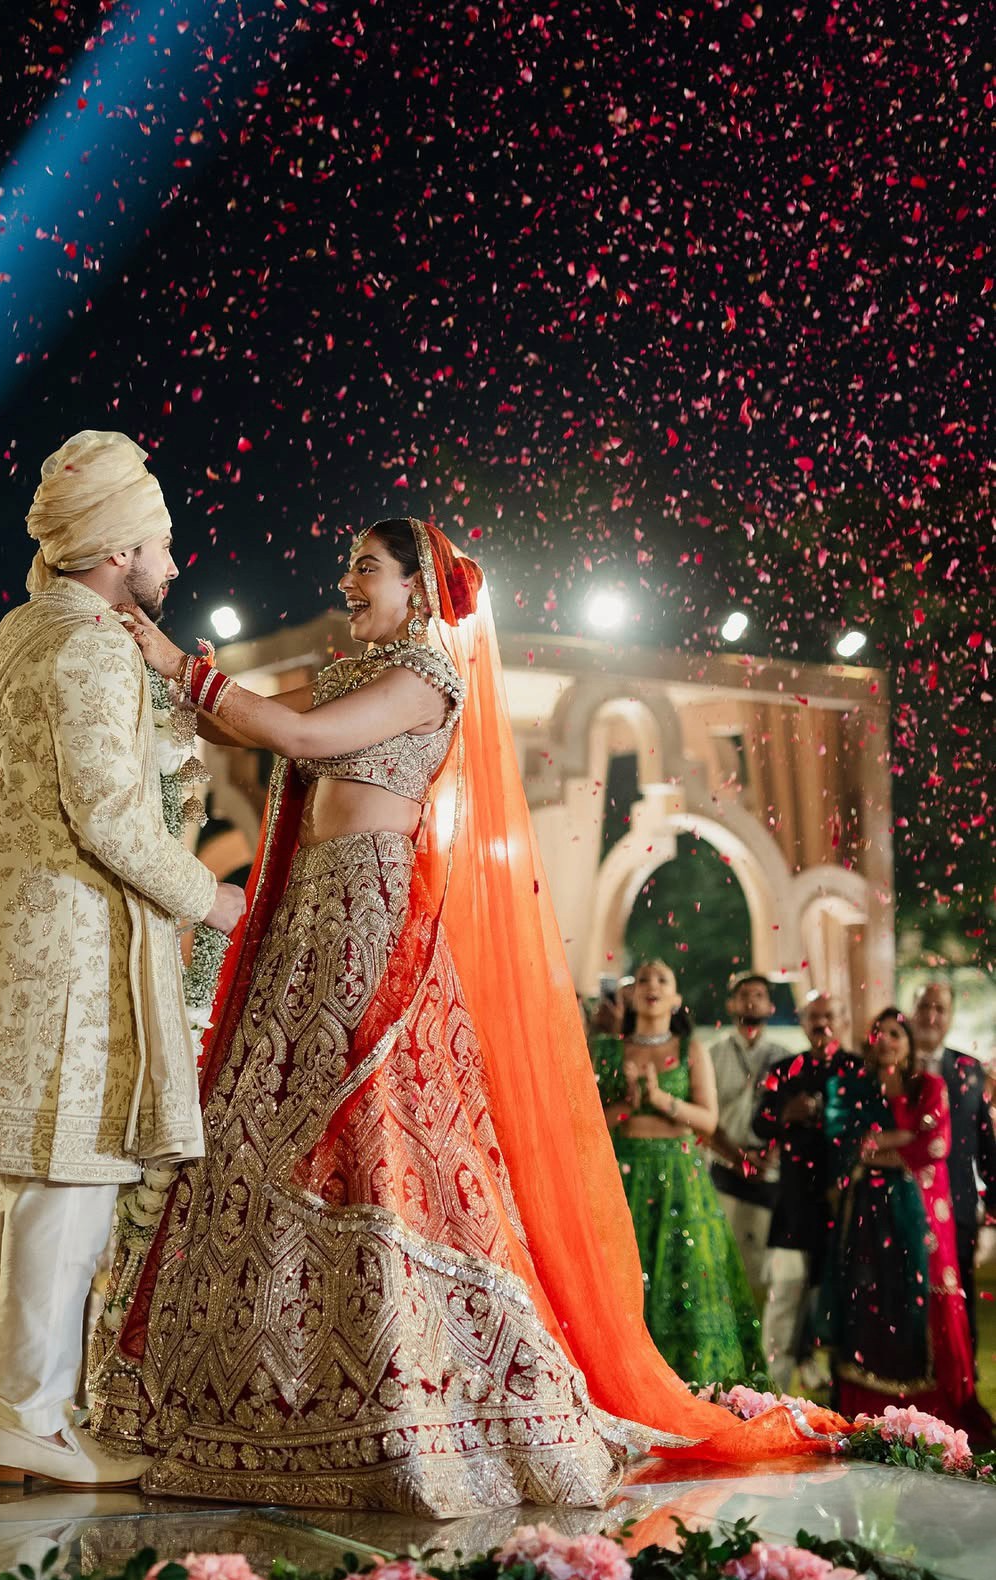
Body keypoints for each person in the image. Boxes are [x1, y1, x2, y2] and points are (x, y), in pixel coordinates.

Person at [91, 516, 836, 1519]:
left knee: (374, 1145)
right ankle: (272, 1394)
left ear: (416, 588)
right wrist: (177, 669)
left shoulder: (426, 679)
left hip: (366, 922)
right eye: (349, 564)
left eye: (365, 567)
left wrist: (184, 664)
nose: (345, 580)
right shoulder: (350, 670)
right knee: (257, 1139)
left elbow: (300, 738)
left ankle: (420, 1397)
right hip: (305, 922)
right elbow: (252, 721)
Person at [0, 429, 246, 1489]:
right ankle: (33, 1421)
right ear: (114, 553)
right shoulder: (90, 643)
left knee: (29, 1196)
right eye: (161, 544)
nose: (172, 567)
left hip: (18, 947)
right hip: (73, 963)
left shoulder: (18, 633)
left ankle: (10, 1421)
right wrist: (217, 901)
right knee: (68, 1191)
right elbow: (108, 815)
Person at [593, 960, 766, 1387]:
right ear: (631, 995)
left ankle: (691, 1388)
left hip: (680, 1180)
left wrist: (661, 1099)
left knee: (686, 1279)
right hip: (623, 1176)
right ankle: (623, 1385)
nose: (652, 985)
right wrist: (631, 1105)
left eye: (663, 979)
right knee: (622, 1278)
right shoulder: (607, 1050)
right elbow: (589, 1118)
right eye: (644, 979)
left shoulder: (690, 1049)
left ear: (676, 999)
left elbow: (707, 1119)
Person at [819, 1007, 986, 1433]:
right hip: (868, 1212)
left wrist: (875, 1149)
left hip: (925, 1213)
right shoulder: (855, 1087)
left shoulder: (928, 1086)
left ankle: (933, 1410)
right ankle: (867, 1405)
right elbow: (845, 1140)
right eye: (879, 1032)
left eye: (896, 1033)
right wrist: (894, 1143)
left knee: (925, 1293)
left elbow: (937, 1144)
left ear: (909, 1043)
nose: (887, 1040)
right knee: (868, 1290)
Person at [753, 994, 858, 1389]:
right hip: (795, 1205)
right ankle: (770, 1393)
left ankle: (841, 1394)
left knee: (836, 1305)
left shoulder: (859, 1070)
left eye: (830, 1015)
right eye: (815, 1017)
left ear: (843, 1019)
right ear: (802, 1021)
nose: (822, 1023)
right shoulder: (784, 1069)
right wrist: (785, 1114)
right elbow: (759, 1124)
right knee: (784, 1296)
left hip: (848, 1206)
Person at [912, 977, 996, 1353]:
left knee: (960, 1299)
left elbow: (986, 1146)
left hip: (958, 1206)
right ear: (913, 1012)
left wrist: (992, 1203)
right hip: (906, 1205)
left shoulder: (970, 1070)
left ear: (949, 1017)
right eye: (924, 1007)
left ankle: (963, 1389)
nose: (931, 1015)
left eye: (939, 1008)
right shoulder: (893, 1068)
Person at [708, 974, 788, 1295]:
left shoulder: (785, 1058)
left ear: (771, 1006)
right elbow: (704, 1118)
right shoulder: (712, 1055)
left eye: (759, 995)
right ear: (731, 1004)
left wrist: (773, 1153)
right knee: (719, 1259)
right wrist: (738, 1158)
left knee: (759, 1266)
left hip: (768, 1170)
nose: (751, 1001)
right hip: (725, 1166)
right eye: (744, 995)